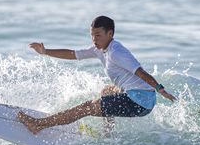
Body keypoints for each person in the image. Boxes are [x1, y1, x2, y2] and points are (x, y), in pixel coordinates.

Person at [17, 15, 176, 135]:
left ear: (110, 33)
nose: (94, 39)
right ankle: (109, 133)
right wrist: (45, 52)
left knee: (87, 107)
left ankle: (38, 125)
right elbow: (74, 54)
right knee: (107, 91)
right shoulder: (99, 49)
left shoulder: (116, 52)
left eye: (98, 35)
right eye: (92, 35)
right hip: (136, 94)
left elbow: (141, 72)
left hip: (139, 102)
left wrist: (160, 89)